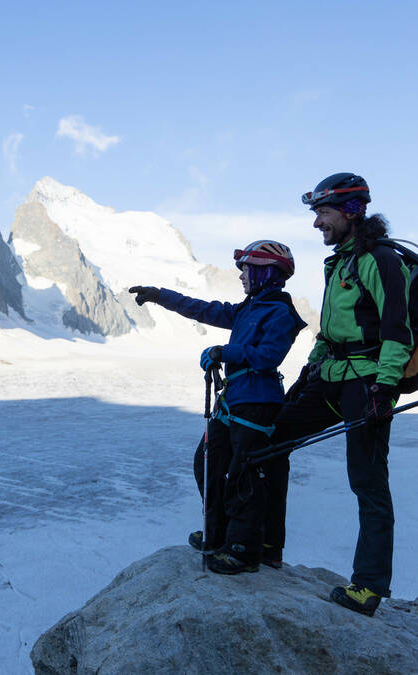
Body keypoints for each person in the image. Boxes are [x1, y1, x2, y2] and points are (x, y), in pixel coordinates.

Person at [270, 172, 413, 616]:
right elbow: (330, 331)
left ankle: (368, 587)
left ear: (352, 211)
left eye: (324, 213)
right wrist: (308, 373)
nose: (317, 223)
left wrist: (384, 388)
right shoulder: (341, 261)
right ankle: (263, 547)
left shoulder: (380, 260)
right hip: (331, 377)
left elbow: (397, 330)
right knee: (271, 438)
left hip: (367, 384)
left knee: (368, 483)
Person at [129, 240, 307, 574]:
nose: (241, 277)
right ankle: (220, 531)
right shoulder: (247, 309)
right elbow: (203, 309)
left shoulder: (280, 313)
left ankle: (243, 549)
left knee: (244, 476)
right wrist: (159, 295)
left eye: (247, 270)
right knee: (208, 463)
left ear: (266, 272)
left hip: (257, 403)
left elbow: (270, 355)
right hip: (237, 400)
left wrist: (225, 353)